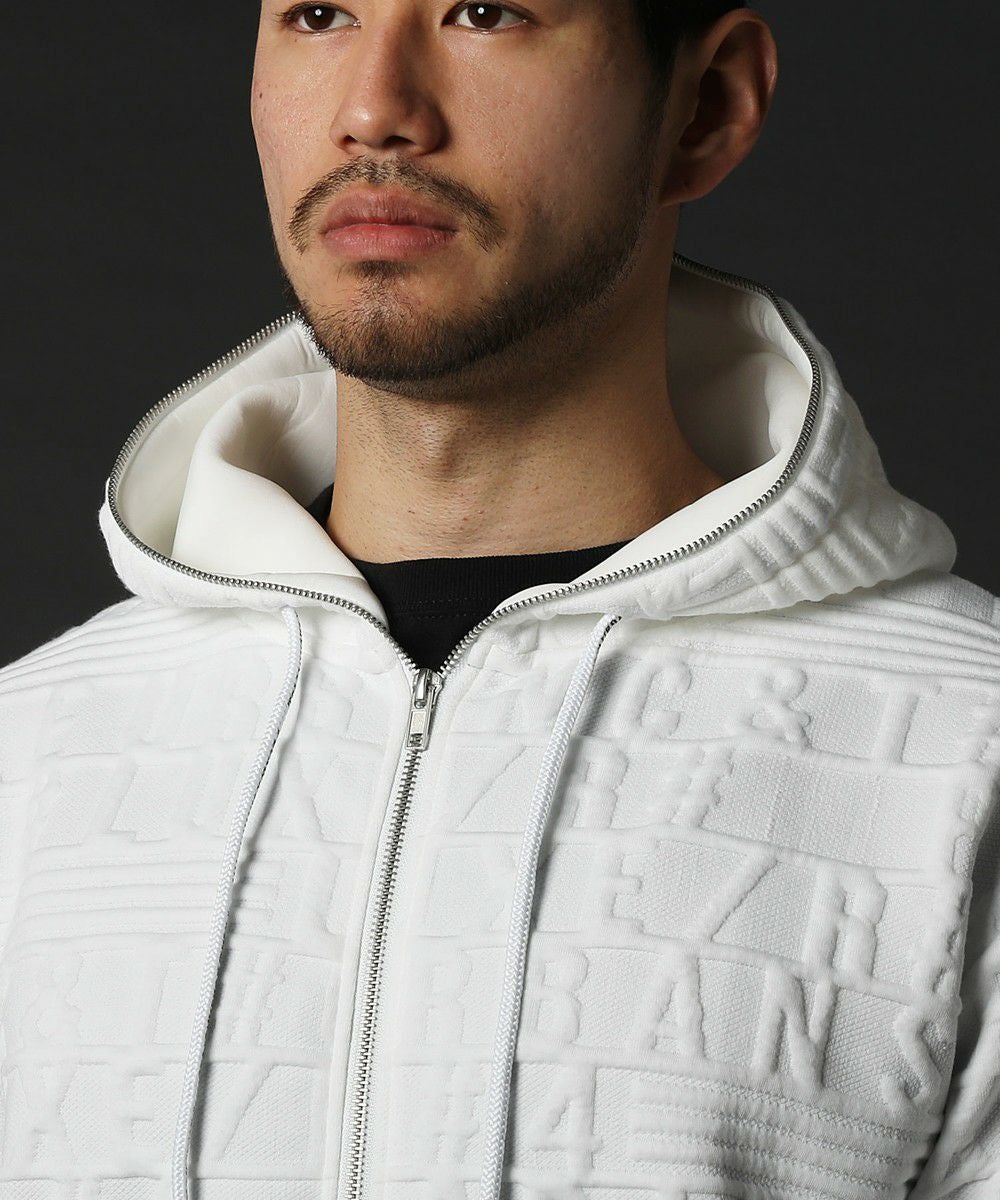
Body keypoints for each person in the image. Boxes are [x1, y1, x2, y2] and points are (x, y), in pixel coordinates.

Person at [1, 2, 998, 1197]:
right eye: (317, 14)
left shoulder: (967, 752)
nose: (373, 108)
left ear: (706, 106)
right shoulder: (33, 751)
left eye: (485, 11)